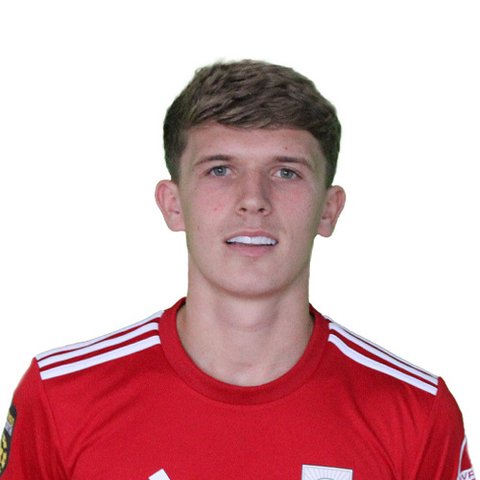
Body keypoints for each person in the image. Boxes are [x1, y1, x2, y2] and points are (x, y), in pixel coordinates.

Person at [0, 60, 474, 480]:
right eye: (220, 170)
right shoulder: (60, 396)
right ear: (173, 204)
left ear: (328, 210)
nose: (253, 200)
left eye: (286, 172)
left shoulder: (416, 413)